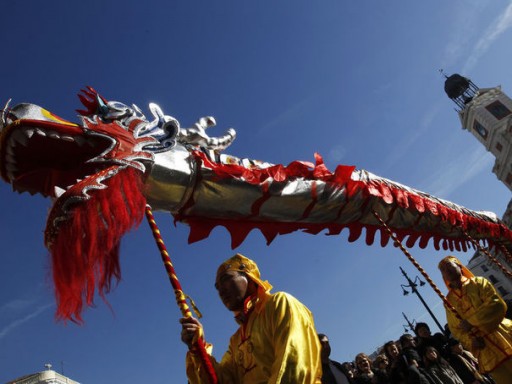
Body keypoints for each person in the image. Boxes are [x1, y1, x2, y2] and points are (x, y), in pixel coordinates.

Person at [180, 253, 322, 383]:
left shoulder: (279, 304)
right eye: (217, 287)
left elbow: (294, 365)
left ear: (248, 276)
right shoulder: (235, 341)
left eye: (226, 279)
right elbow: (221, 380)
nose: (221, 290)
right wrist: (197, 348)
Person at [438, 255, 512, 383]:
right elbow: (456, 330)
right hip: (486, 350)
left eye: (449, 265)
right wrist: (471, 341)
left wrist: (471, 322)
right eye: (443, 270)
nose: (447, 270)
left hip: (504, 336)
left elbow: (497, 305)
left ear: (460, 267)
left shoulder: (478, 282)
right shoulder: (448, 302)